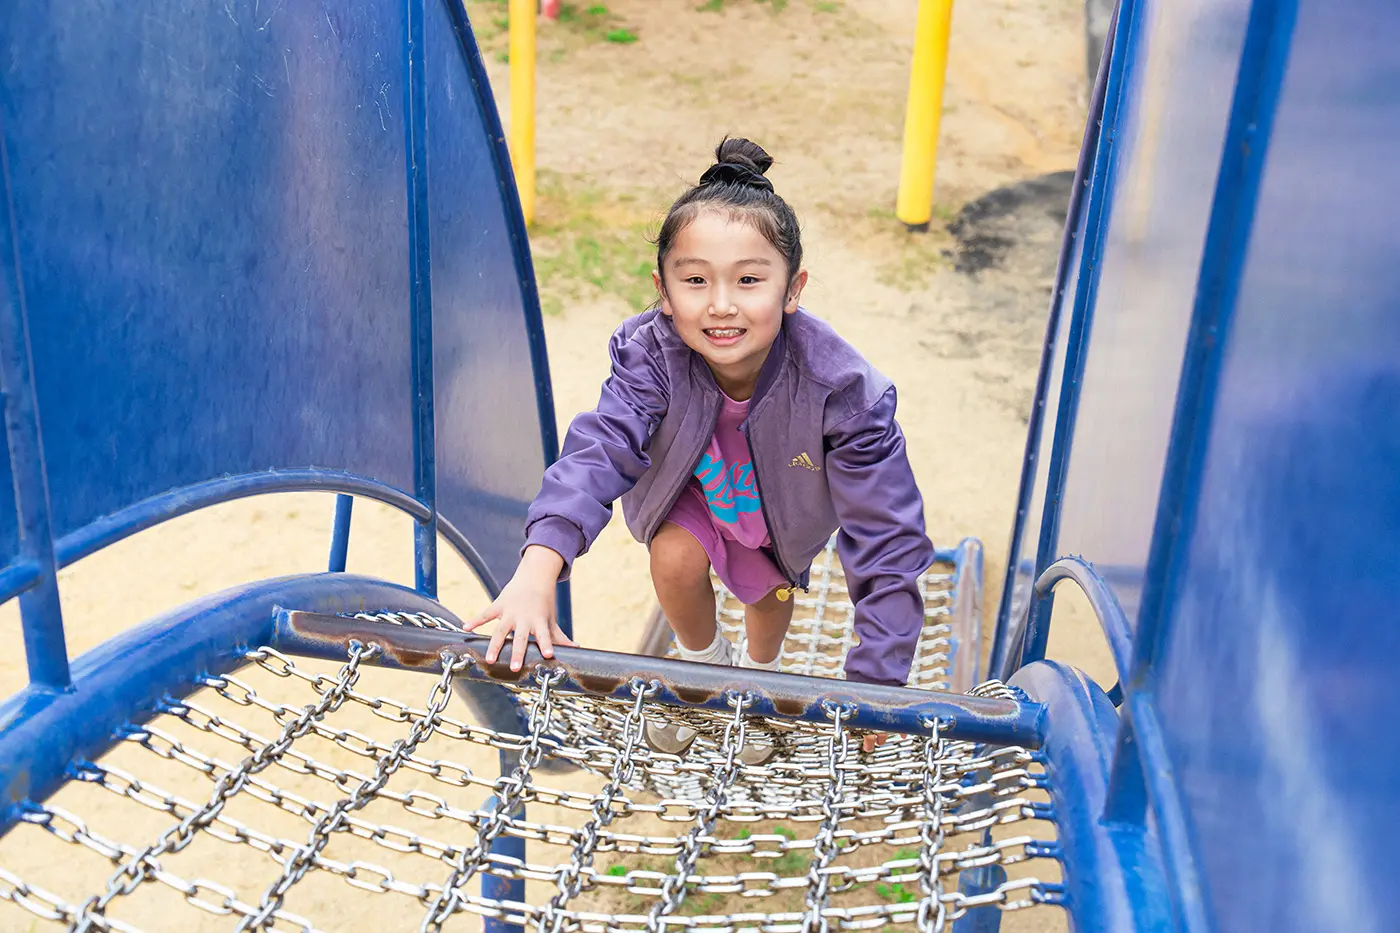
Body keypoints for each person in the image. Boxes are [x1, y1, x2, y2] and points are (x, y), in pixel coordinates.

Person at [466, 137, 935, 757]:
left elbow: (886, 535)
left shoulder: (842, 391)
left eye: (748, 280)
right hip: (697, 492)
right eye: (695, 280)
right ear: (664, 289)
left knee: (768, 603)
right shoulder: (652, 354)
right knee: (673, 558)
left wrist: (878, 682)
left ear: (792, 290)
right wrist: (536, 569)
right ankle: (701, 678)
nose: (720, 305)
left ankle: (757, 686)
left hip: (780, 513)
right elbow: (601, 448)